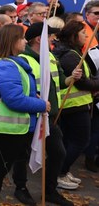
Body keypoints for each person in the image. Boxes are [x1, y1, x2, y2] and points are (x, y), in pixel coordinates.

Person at [0, 24, 49, 206]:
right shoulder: (6, 66)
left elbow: (16, 93)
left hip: (8, 127)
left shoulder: (7, 63)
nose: (25, 41)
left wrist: (33, 96)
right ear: (12, 41)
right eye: (22, 38)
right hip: (9, 128)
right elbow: (14, 100)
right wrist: (41, 104)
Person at [14, 22, 79, 206]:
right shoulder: (24, 58)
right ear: (38, 39)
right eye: (51, 36)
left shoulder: (50, 56)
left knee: (58, 153)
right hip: (30, 116)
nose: (54, 39)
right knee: (22, 154)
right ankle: (21, 188)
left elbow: (61, 81)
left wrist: (72, 77)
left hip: (50, 117)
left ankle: (49, 190)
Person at [53, 20, 99, 189]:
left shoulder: (73, 52)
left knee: (70, 141)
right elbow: (82, 83)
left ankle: (62, 171)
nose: (87, 36)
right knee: (81, 140)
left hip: (77, 104)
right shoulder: (70, 55)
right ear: (74, 36)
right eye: (83, 33)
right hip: (73, 105)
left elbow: (87, 78)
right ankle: (60, 172)